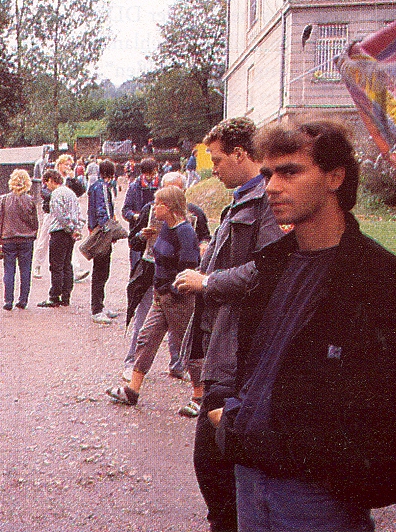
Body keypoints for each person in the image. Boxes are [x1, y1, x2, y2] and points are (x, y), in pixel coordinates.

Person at [214, 119, 396, 531]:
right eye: (268, 173)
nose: (271, 186)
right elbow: (251, 364)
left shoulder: (384, 281)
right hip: (249, 484)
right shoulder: (271, 266)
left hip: (320, 500)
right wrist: (228, 412)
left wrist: (329, 469)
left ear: (335, 177)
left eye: (290, 171)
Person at [172, 117, 282, 532]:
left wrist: (209, 281)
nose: (212, 168)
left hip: (242, 351)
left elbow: (270, 270)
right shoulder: (241, 199)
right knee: (214, 466)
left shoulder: (268, 202)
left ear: (240, 154)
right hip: (223, 345)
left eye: (217, 159)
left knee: (217, 463)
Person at [105, 185, 199, 406]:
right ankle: (132, 391)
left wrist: (173, 291)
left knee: (186, 345)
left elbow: (190, 266)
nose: (153, 208)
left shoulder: (185, 232)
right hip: (161, 296)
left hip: (177, 299)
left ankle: (200, 396)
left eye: (158, 204)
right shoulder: (165, 227)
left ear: (170, 207)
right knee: (146, 339)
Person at [123, 171, 211, 381]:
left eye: (178, 189)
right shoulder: (150, 212)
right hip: (152, 278)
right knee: (144, 329)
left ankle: (186, 374)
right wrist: (140, 235)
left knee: (182, 337)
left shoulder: (193, 217)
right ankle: (131, 374)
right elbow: (132, 241)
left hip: (173, 289)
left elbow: (201, 241)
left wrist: (204, 244)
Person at [35, 169, 83, 308]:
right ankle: (66, 296)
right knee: (67, 265)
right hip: (70, 234)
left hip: (59, 232)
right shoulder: (71, 193)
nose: (46, 186)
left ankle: (54, 296)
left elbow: (60, 214)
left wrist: (69, 228)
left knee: (56, 266)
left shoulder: (56, 194)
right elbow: (78, 213)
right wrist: (76, 229)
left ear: (51, 180)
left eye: (46, 183)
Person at [0, 169, 39, 311]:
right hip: (26, 239)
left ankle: (8, 300)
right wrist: (33, 233)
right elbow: (34, 221)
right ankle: (23, 300)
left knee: (9, 270)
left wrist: (0, 235)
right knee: (25, 270)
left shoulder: (3, 199)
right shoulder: (30, 200)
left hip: (8, 238)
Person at [87, 159, 120, 324]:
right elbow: (103, 210)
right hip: (103, 233)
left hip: (98, 230)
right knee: (101, 271)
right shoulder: (103, 188)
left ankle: (100, 304)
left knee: (101, 271)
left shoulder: (96, 186)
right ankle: (97, 309)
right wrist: (109, 230)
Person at [123, 158, 160, 268]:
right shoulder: (134, 187)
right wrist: (136, 216)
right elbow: (125, 210)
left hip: (156, 233)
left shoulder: (161, 186)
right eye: (148, 174)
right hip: (139, 231)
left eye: (153, 173)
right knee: (136, 267)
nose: (151, 177)